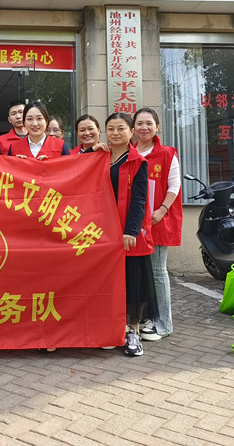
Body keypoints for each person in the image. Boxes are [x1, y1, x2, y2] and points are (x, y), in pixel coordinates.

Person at [102, 112, 155, 357]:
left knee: (133, 282)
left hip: (127, 232)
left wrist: (131, 230)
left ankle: (133, 331)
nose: (115, 133)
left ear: (131, 132)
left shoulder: (137, 161)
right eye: (111, 129)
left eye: (121, 128)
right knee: (109, 282)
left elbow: (139, 200)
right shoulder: (100, 158)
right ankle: (112, 329)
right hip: (103, 231)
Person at [133, 107, 182, 341]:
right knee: (139, 274)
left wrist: (161, 210)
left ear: (157, 127)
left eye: (149, 123)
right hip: (134, 224)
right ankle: (145, 318)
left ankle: (164, 324)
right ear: (133, 128)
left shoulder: (167, 153)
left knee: (158, 272)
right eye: (139, 123)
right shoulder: (129, 153)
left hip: (157, 221)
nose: (144, 128)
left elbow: (174, 185)